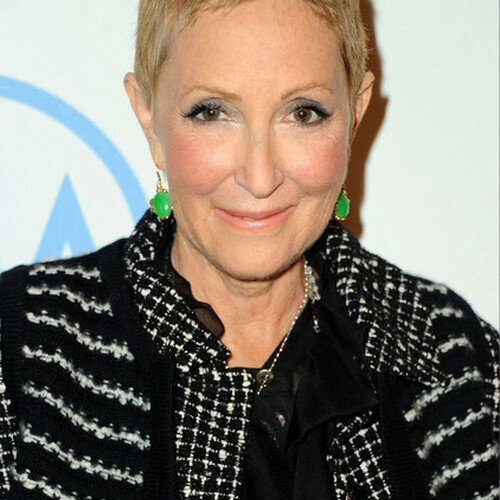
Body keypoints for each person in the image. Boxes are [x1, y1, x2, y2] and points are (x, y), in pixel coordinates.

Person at [0, 0, 497, 498]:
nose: (260, 177)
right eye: (212, 112)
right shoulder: (23, 351)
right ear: (149, 118)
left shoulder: (462, 362)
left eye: (303, 113)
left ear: (355, 113)